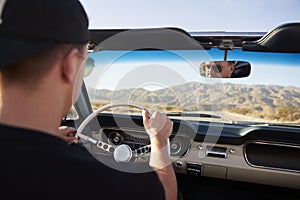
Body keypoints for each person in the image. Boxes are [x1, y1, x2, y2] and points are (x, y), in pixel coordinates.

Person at [0, 0, 177, 200]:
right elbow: (167, 193)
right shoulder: (99, 183)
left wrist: (47, 136)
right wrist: (159, 139)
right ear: (69, 66)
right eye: (86, 65)